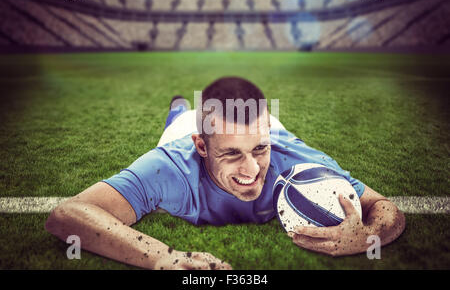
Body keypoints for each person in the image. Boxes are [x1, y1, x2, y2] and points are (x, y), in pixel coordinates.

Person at [45, 76, 405, 270]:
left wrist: (370, 235)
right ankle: (178, 110)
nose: (251, 170)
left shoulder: (296, 160)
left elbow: (385, 208)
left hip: (267, 128)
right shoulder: (170, 167)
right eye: (232, 154)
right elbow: (66, 216)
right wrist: (161, 256)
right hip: (185, 127)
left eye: (258, 150)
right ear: (202, 147)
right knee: (177, 120)